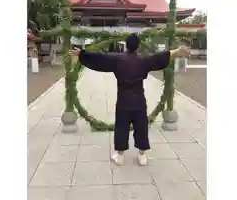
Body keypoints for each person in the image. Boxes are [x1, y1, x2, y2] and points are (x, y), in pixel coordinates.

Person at [70, 33, 190, 166]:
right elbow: (159, 57)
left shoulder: (117, 60)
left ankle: (120, 156)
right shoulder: (144, 60)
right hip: (139, 100)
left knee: (122, 127)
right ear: (138, 47)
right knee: (141, 127)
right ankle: (142, 155)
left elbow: (100, 59)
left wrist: (82, 54)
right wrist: (177, 51)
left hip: (123, 100)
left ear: (126, 46)